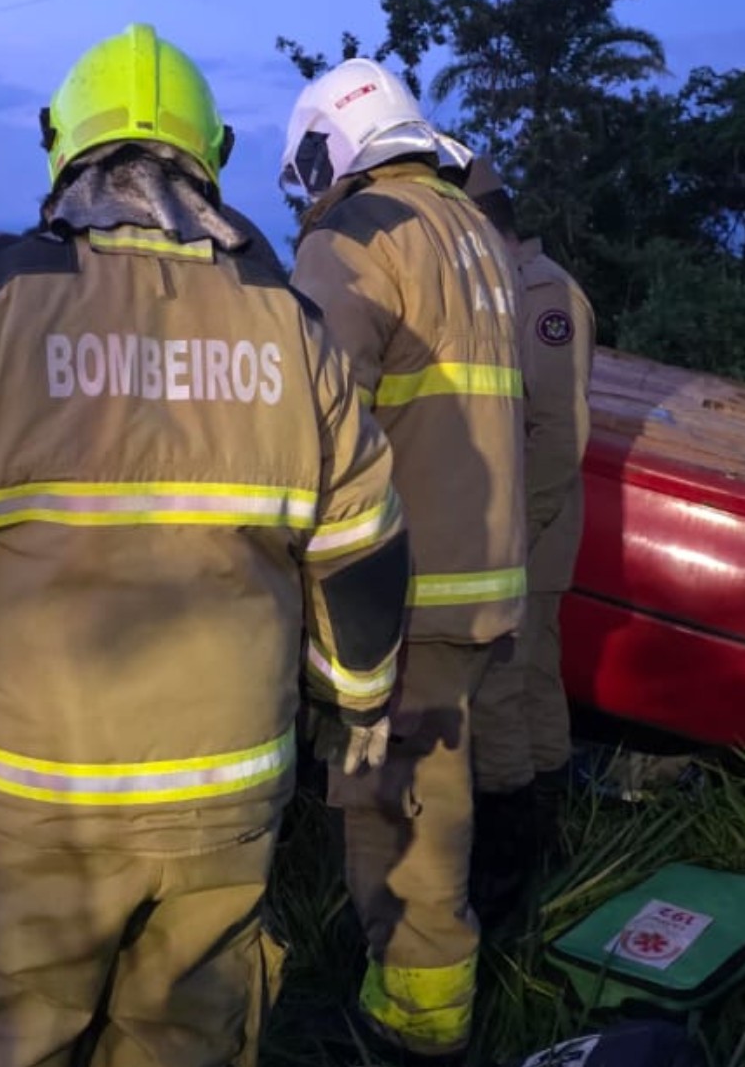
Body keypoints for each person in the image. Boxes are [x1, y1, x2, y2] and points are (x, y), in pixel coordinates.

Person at [0, 23, 410, 1067]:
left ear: (61, 145)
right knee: (185, 1042)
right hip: (226, 799)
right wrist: (354, 700)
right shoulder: (292, 330)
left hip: (30, 805)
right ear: (212, 155)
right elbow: (361, 544)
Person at [283, 61, 528, 1063]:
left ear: (327, 152)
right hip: (481, 578)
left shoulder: (357, 236)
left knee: (401, 814)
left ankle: (414, 1025)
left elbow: (311, 417)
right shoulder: (473, 230)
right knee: (434, 791)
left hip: (403, 586)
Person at [462, 156, 597, 928]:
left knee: (508, 693)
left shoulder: (542, 295)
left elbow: (557, 432)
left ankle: (515, 866)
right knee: (537, 684)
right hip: (521, 530)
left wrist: (518, 530)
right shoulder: (506, 290)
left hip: (528, 535)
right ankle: (549, 845)